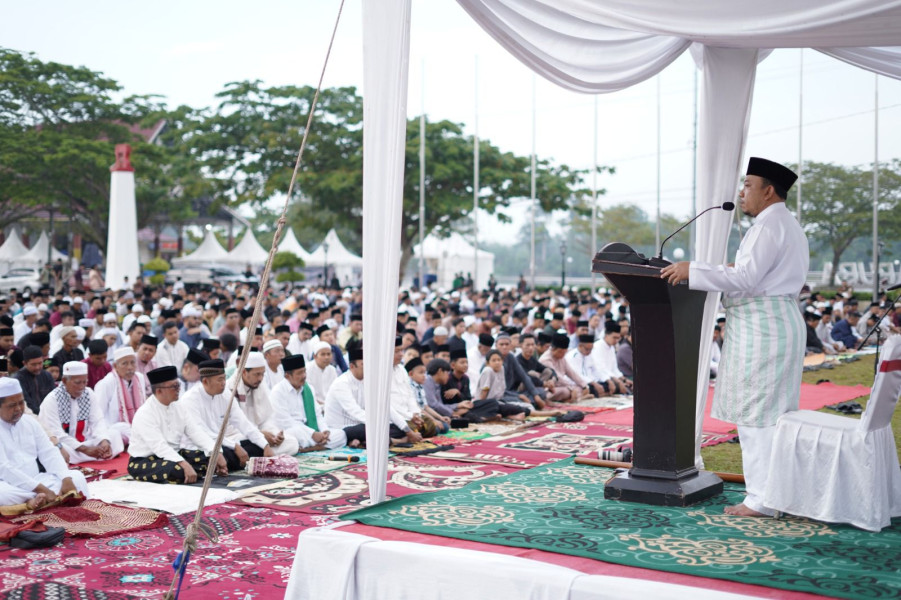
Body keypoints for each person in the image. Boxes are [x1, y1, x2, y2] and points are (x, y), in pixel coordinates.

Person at [660, 157, 807, 518]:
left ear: (768, 191)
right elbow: (751, 274)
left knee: (757, 416)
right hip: (773, 322)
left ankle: (762, 500)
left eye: (748, 185)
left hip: (764, 327)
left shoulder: (768, 226)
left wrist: (692, 270)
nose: (742, 192)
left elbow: (746, 279)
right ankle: (777, 495)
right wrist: (716, 270)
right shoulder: (784, 223)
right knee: (769, 415)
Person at [127, 366, 228, 484]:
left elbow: (196, 432)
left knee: (213, 457)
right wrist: (184, 464)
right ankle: (190, 472)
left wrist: (215, 452)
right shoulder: (145, 413)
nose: (178, 389)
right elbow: (159, 447)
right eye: (174, 386)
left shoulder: (179, 406)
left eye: (178, 385)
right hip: (145, 461)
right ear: (159, 391)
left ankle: (195, 471)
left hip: (174, 455)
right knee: (176, 470)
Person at [0, 378, 89, 509]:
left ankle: (32, 502)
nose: (18, 409)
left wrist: (66, 478)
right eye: (12, 405)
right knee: (3, 494)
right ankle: (38, 500)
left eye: (21, 403)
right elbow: (4, 468)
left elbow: (49, 452)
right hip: (7, 484)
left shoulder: (29, 422)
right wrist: (42, 489)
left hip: (37, 479)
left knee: (77, 477)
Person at [179, 359, 274, 471]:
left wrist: (265, 444)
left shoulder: (225, 394)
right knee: (223, 455)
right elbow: (203, 433)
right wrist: (235, 446)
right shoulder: (189, 400)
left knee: (257, 447)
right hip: (198, 447)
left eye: (224, 378)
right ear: (205, 381)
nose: (224, 382)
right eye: (220, 380)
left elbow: (243, 422)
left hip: (222, 443)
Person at [269, 354, 361, 451]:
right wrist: (312, 434)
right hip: (294, 431)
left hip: (312, 431)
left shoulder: (308, 389)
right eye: (299, 373)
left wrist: (325, 431)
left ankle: (310, 448)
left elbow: (317, 414)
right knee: (293, 435)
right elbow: (285, 422)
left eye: (304, 371)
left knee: (341, 434)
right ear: (287, 376)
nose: (304, 376)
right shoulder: (278, 392)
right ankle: (317, 446)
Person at [38, 361, 125, 464]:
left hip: (86, 442)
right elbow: (55, 433)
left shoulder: (88, 393)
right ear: (64, 381)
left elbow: (97, 421)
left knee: (114, 434)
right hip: (68, 446)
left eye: (85, 382)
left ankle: (98, 453)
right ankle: (94, 455)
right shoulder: (52, 399)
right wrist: (85, 449)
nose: (82, 387)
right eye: (78, 382)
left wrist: (103, 441)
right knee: (57, 449)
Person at [323, 347, 414, 444]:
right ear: (352, 366)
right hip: (343, 427)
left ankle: (364, 441)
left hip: (363, 423)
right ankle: (396, 440)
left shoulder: (367, 381)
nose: (367, 367)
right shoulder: (341, 383)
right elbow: (355, 411)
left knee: (396, 426)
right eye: (363, 364)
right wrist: (378, 424)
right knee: (368, 429)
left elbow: (385, 407)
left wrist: (407, 429)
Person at [226, 352, 299, 456]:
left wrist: (274, 435)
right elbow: (230, 430)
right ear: (244, 372)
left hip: (258, 437)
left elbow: (266, 419)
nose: (260, 378)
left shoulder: (259, 386)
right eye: (256, 374)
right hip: (239, 437)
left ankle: (260, 454)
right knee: (243, 447)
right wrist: (260, 435)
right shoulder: (230, 390)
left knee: (292, 443)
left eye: (262, 374)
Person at [93, 346, 146, 444]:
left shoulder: (139, 378)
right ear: (115, 366)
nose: (130, 367)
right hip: (114, 428)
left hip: (136, 426)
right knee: (124, 429)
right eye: (125, 363)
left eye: (132, 363)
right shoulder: (106, 383)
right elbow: (98, 415)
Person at [14, 345, 56, 414]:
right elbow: (27, 404)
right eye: (33, 364)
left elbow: (54, 397)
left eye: (40, 363)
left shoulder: (47, 375)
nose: (37, 367)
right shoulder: (18, 379)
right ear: (24, 363)